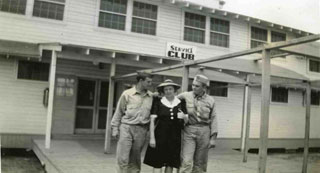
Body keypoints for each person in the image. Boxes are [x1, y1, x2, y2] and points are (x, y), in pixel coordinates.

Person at [111, 72, 153, 173]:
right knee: (123, 158)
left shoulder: (151, 97)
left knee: (135, 160)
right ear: (140, 81)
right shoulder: (127, 94)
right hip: (126, 128)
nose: (150, 84)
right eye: (148, 82)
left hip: (141, 130)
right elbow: (119, 112)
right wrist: (115, 128)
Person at [144, 79, 188, 173]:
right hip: (160, 136)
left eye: (170, 89)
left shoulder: (181, 102)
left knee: (170, 162)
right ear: (163, 91)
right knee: (157, 161)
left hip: (175, 137)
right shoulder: (158, 102)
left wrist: (184, 117)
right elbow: (152, 121)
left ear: (175, 90)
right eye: (166, 89)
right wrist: (152, 138)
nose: (168, 91)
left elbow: (187, 121)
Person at [178, 74, 218, 173]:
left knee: (200, 163)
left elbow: (214, 118)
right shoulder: (186, 95)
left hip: (204, 131)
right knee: (186, 160)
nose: (193, 87)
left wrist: (213, 138)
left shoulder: (210, 100)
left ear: (204, 87)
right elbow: (171, 100)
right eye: (193, 85)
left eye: (197, 86)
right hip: (189, 130)